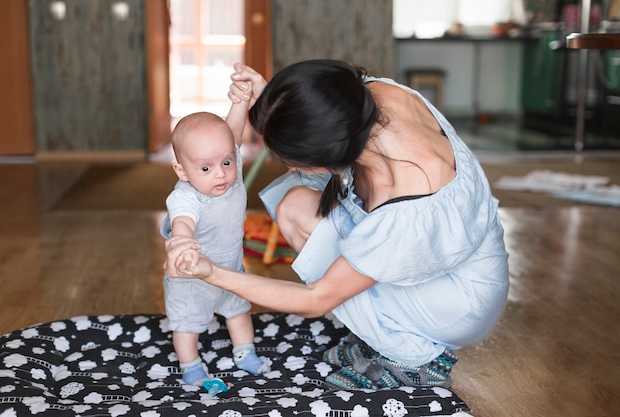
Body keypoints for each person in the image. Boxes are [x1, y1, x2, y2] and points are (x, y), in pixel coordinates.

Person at [164, 59, 510, 390]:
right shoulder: (368, 96)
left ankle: (414, 358)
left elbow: (317, 299)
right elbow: (325, 117)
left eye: (290, 160)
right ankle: (385, 331)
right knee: (296, 206)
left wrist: (212, 272)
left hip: (461, 303)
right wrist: (281, 107)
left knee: (312, 234)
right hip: (460, 256)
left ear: (325, 158)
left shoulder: (405, 205)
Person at [160, 73, 270, 386]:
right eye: (205, 168)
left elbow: (231, 134)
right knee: (187, 322)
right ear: (182, 171)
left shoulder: (228, 167)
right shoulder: (186, 195)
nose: (220, 174)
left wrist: (240, 101)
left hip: (231, 265)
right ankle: (190, 363)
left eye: (226, 163)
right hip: (192, 273)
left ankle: (244, 351)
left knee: (238, 310)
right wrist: (181, 239)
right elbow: (183, 221)